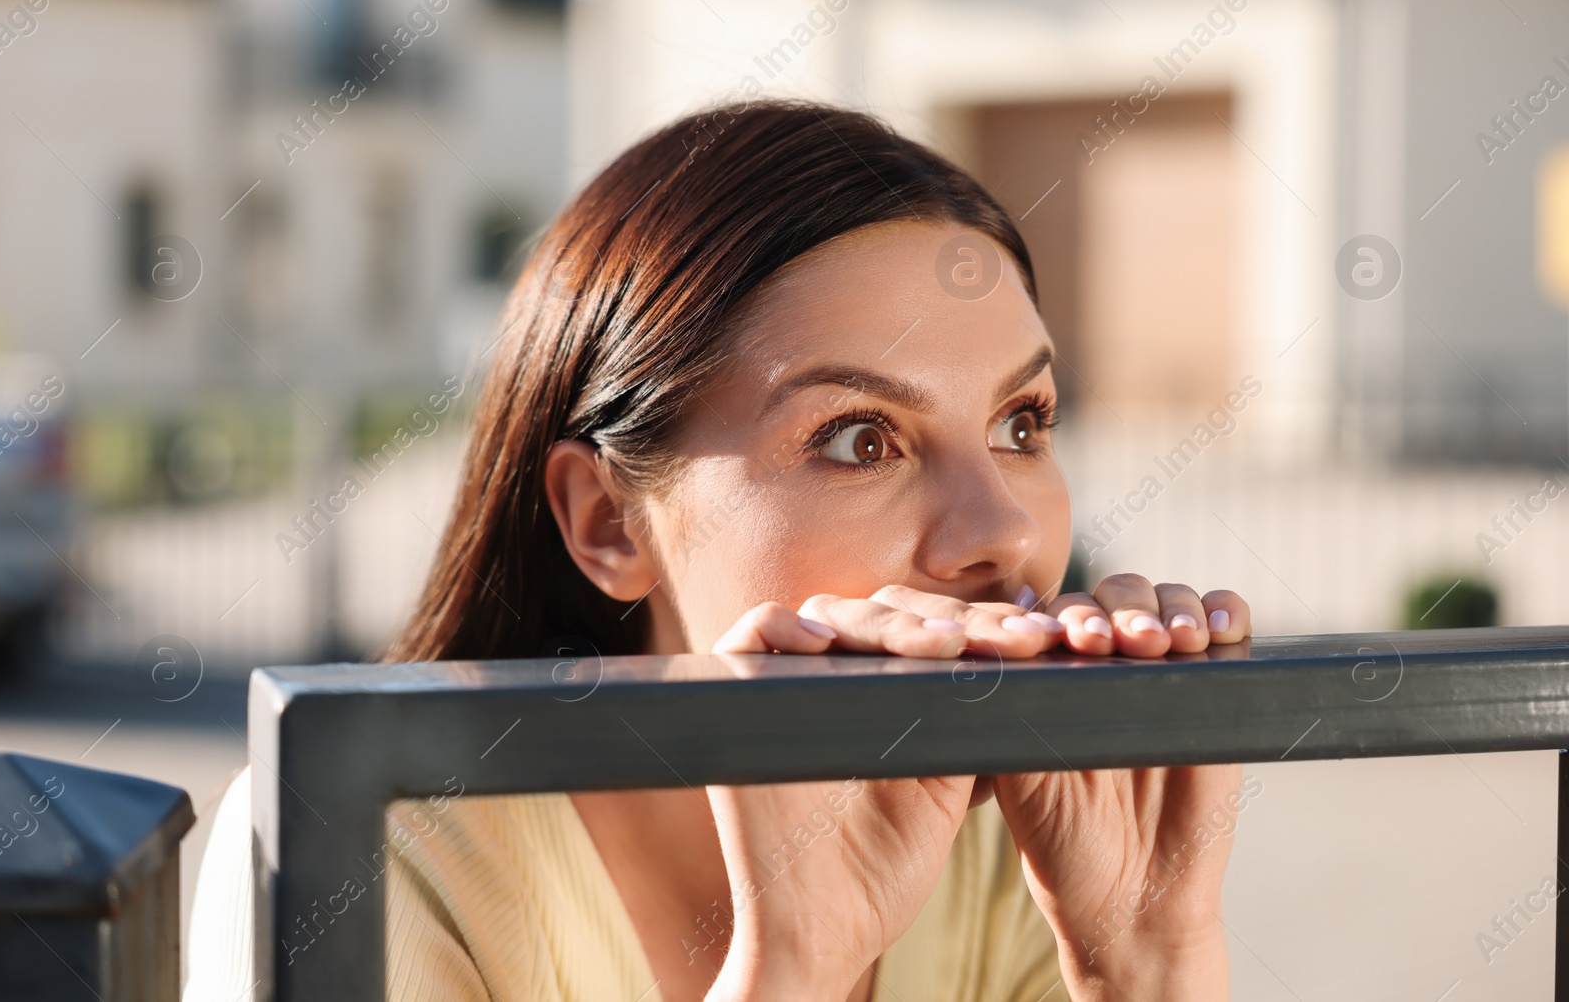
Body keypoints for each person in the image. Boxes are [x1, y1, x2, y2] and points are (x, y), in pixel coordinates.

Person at [184, 100, 1252, 1002]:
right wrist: (790, 965)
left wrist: (1148, 961)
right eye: (858, 438)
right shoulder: (346, 848)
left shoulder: (1012, 842)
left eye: (1022, 421)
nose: (1007, 531)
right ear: (606, 520)